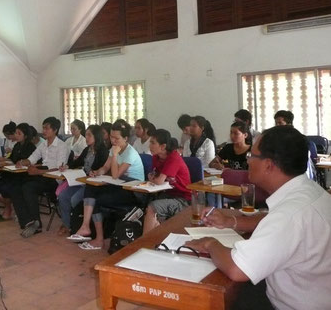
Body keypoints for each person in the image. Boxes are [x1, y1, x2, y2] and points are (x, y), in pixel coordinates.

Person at [186, 126, 331, 310]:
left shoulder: (288, 217)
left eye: (252, 156)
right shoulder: (309, 192)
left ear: (269, 164)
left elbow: (237, 269)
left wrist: (210, 244)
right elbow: (273, 219)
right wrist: (232, 221)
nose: (248, 162)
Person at [70, 120, 144, 250]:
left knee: (97, 200)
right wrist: (97, 173)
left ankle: (99, 239)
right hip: (119, 185)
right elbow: (105, 167)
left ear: (126, 138)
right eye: (111, 137)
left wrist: (115, 155)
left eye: (117, 138)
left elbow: (115, 174)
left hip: (133, 190)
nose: (113, 140)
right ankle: (85, 226)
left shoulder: (130, 153)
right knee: (90, 186)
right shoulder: (113, 149)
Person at [10, 117, 70, 238]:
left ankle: (36, 223)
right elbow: (33, 158)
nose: (44, 130)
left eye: (46, 128)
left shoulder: (62, 146)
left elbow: (59, 168)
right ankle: (28, 221)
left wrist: (37, 171)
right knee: (15, 187)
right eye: (43, 127)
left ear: (55, 130)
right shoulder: (43, 145)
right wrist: (22, 162)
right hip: (42, 174)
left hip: (53, 179)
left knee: (28, 187)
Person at [57, 125, 109, 235]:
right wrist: (66, 166)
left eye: (89, 135)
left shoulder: (103, 151)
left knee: (74, 199)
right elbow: (78, 162)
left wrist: (93, 173)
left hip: (92, 184)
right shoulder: (87, 149)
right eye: (86, 135)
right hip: (82, 180)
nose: (87, 137)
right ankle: (67, 225)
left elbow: (103, 169)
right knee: (62, 196)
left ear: (97, 136)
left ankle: (78, 225)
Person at [142, 129, 191, 234]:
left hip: (182, 199)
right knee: (144, 204)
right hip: (167, 194)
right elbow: (153, 175)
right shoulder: (156, 157)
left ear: (163, 146)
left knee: (153, 207)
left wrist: (154, 179)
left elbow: (158, 181)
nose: (149, 145)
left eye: (153, 143)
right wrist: (154, 178)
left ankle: (144, 244)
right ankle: (157, 237)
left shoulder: (174, 157)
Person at [0, 123, 36, 222]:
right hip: (14, 174)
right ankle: (10, 207)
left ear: (25, 136)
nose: (16, 135)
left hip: (24, 176)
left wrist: (12, 164)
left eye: (19, 133)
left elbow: (29, 163)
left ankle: (15, 210)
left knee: (9, 188)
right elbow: (12, 160)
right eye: (15, 133)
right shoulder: (17, 145)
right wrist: (4, 161)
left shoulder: (31, 147)